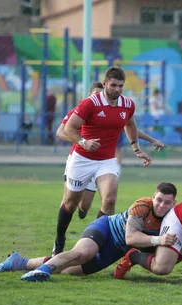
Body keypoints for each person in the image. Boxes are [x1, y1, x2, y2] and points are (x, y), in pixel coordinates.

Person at [53, 66, 152, 256]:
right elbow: (69, 128)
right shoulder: (89, 103)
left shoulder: (128, 104)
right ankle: (59, 241)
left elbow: (130, 124)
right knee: (71, 203)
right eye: (113, 85)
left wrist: (136, 149)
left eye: (121, 86)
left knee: (110, 199)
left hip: (107, 160)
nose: (117, 89)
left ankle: (95, 243)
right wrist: (83, 142)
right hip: (82, 159)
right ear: (105, 83)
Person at [0, 182, 179, 282]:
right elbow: (131, 238)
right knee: (82, 254)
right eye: (159, 200)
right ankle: (42, 270)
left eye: (167, 202)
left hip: (115, 250)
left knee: (68, 271)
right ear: (153, 197)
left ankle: (18, 262)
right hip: (106, 229)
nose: (162, 205)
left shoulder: (171, 217)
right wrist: (159, 240)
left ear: (174, 203)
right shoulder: (142, 205)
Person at [56, 82, 166, 220]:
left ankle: (93, 228)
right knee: (68, 200)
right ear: (90, 94)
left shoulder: (112, 109)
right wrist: (82, 142)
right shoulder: (81, 108)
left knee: (85, 205)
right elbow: (60, 132)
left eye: (99, 94)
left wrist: (151, 140)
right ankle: (60, 237)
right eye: (95, 94)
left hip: (102, 160)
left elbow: (130, 128)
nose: (98, 97)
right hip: (79, 158)